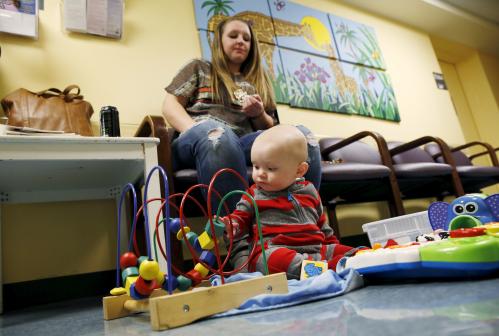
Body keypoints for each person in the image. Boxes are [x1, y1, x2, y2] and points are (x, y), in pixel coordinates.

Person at [162, 16, 322, 211]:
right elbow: (170, 106)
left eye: (246, 38)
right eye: (233, 36)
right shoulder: (199, 68)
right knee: (218, 134)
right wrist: (200, 131)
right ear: (219, 42)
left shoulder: (258, 81)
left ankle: (301, 222)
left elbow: (273, 132)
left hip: (244, 143)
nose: (240, 41)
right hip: (197, 139)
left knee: (302, 136)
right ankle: (237, 237)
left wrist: (259, 114)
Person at [220, 125, 358, 280]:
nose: (260, 174)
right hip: (275, 249)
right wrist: (229, 225)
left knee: (352, 251)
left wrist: (335, 247)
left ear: (299, 171)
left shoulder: (310, 191)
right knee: (273, 260)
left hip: (316, 249)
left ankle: (364, 258)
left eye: (270, 169)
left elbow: (323, 227)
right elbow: (239, 218)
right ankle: (330, 268)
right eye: (256, 166)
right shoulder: (253, 194)